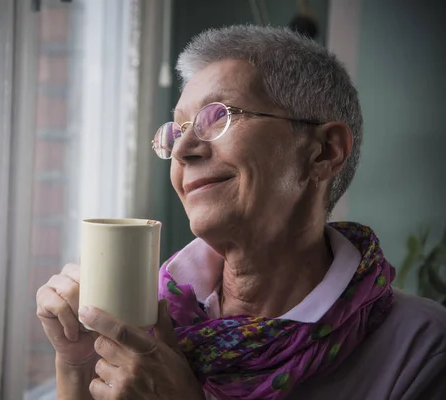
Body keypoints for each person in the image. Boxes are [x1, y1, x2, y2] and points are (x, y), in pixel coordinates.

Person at [36, 25, 446, 400]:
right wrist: (76, 366)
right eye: (176, 131)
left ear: (324, 152)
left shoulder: (424, 347)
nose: (182, 150)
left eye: (219, 117)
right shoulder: (145, 320)